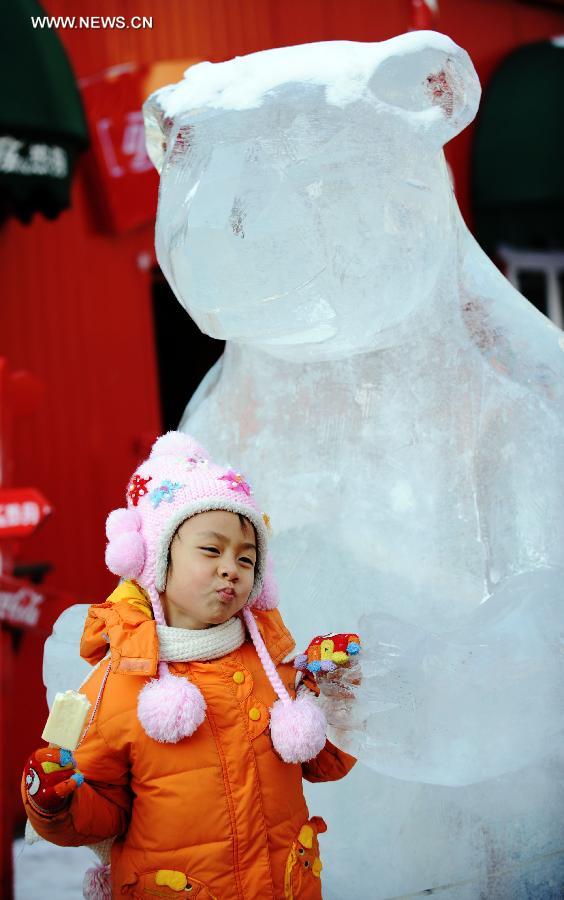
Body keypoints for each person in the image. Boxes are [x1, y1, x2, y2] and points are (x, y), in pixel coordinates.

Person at [22, 431, 356, 899]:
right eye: (211, 550)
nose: (231, 568)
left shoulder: (273, 665)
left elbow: (324, 763)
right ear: (157, 563)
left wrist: (336, 690)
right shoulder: (122, 683)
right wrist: (55, 802)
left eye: (246, 557)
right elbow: (103, 812)